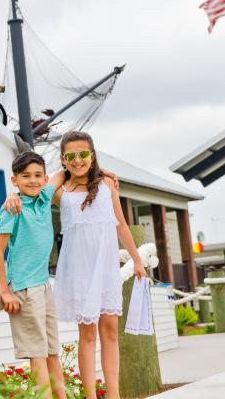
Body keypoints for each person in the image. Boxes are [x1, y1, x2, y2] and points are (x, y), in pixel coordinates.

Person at [53, 131, 145, 399]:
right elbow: (51, 179)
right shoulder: (61, 192)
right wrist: (81, 167)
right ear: (63, 159)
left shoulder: (106, 186)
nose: (78, 160)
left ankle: (113, 394)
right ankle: (91, 395)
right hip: (79, 272)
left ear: (92, 155)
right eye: (71, 156)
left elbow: (122, 225)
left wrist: (136, 260)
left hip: (104, 270)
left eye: (84, 154)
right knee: (88, 334)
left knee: (110, 332)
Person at [0, 151, 67, 398]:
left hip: (44, 286)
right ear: (14, 180)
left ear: (44, 179)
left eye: (37, 176)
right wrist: (5, 291)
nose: (32, 180)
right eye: (25, 176)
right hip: (23, 287)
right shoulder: (13, 208)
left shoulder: (45, 197)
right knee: (38, 355)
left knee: (52, 352)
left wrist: (103, 172)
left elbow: (63, 173)